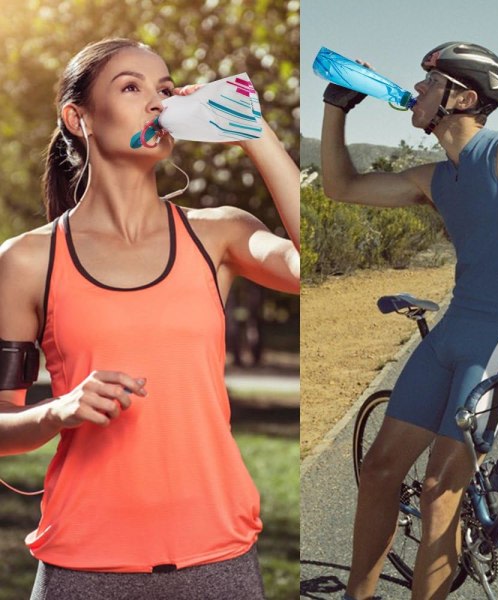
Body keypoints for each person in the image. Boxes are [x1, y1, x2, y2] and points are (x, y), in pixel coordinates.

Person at [0, 38, 299, 600]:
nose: (157, 103)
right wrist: (57, 412)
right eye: (131, 87)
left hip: (219, 560)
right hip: (82, 568)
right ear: (77, 117)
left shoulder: (220, 234)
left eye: (165, 89)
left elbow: (314, 263)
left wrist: (255, 133)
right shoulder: (25, 261)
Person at [320, 41, 498, 600]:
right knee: (378, 472)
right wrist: (336, 107)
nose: (415, 91)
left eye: (429, 83)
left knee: (439, 490)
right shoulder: (433, 176)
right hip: (454, 330)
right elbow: (340, 187)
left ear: (463, 96)